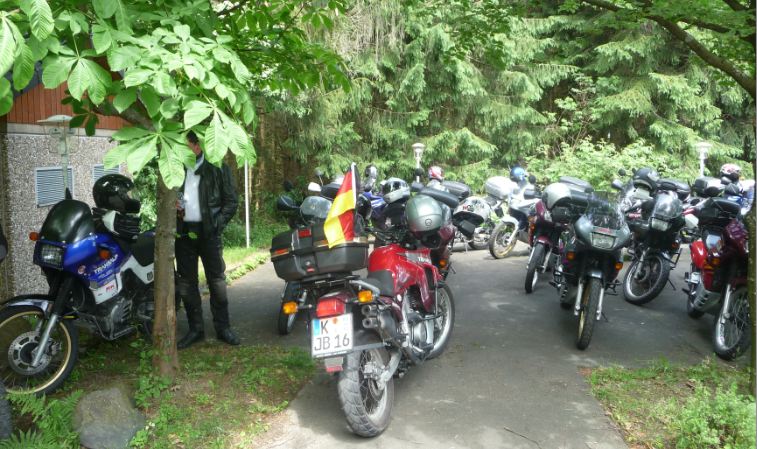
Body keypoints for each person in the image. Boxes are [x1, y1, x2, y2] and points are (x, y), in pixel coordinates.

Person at [175, 131, 240, 349]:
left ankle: (223, 328)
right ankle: (196, 329)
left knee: (217, 281)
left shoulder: (218, 167)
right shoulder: (176, 168)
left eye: (186, 145)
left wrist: (216, 224)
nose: (182, 150)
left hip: (209, 233)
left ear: (197, 146)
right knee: (187, 283)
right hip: (184, 233)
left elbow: (231, 202)